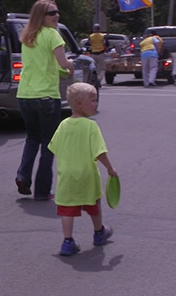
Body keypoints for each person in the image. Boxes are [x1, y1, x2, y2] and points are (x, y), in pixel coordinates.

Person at [15, 0, 74, 201]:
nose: (56, 16)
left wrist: (61, 70)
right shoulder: (52, 35)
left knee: (32, 139)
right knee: (49, 143)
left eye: (57, 12)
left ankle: (23, 175)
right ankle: (42, 190)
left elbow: (41, 65)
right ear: (41, 16)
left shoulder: (27, 37)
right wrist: (71, 66)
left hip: (25, 95)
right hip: (47, 97)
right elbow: (63, 62)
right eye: (52, 13)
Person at [48, 82, 116, 256]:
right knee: (93, 204)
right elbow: (99, 151)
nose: (96, 104)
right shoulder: (91, 126)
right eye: (93, 100)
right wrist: (110, 168)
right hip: (87, 174)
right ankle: (99, 232)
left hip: (67, 175)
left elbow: (54, 147)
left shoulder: (63, 125)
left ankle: (67, 241)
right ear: (79, 103)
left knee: (67, 209)